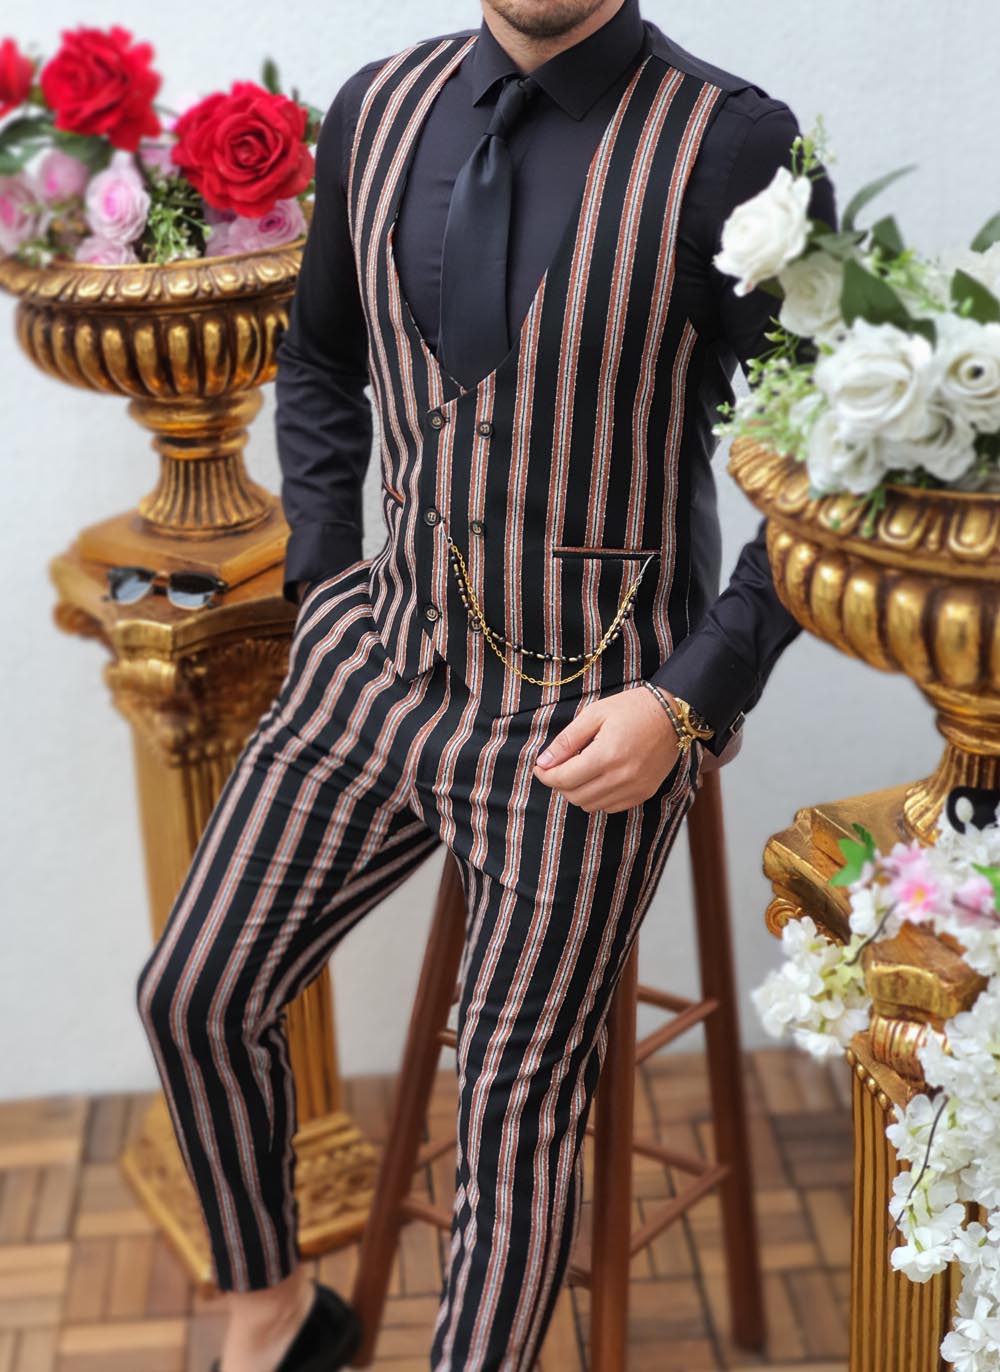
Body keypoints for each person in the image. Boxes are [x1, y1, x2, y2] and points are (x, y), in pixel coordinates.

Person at [136, 1, 836, 1369]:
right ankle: (275, 1315)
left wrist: (693, 696)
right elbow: (322, 360)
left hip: (592, 714)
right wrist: (323, 587)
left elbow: (829, 470)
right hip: (378, 656)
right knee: (193, 993)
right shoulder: (377, 108)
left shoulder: (734, 145)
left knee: (510, 1116)